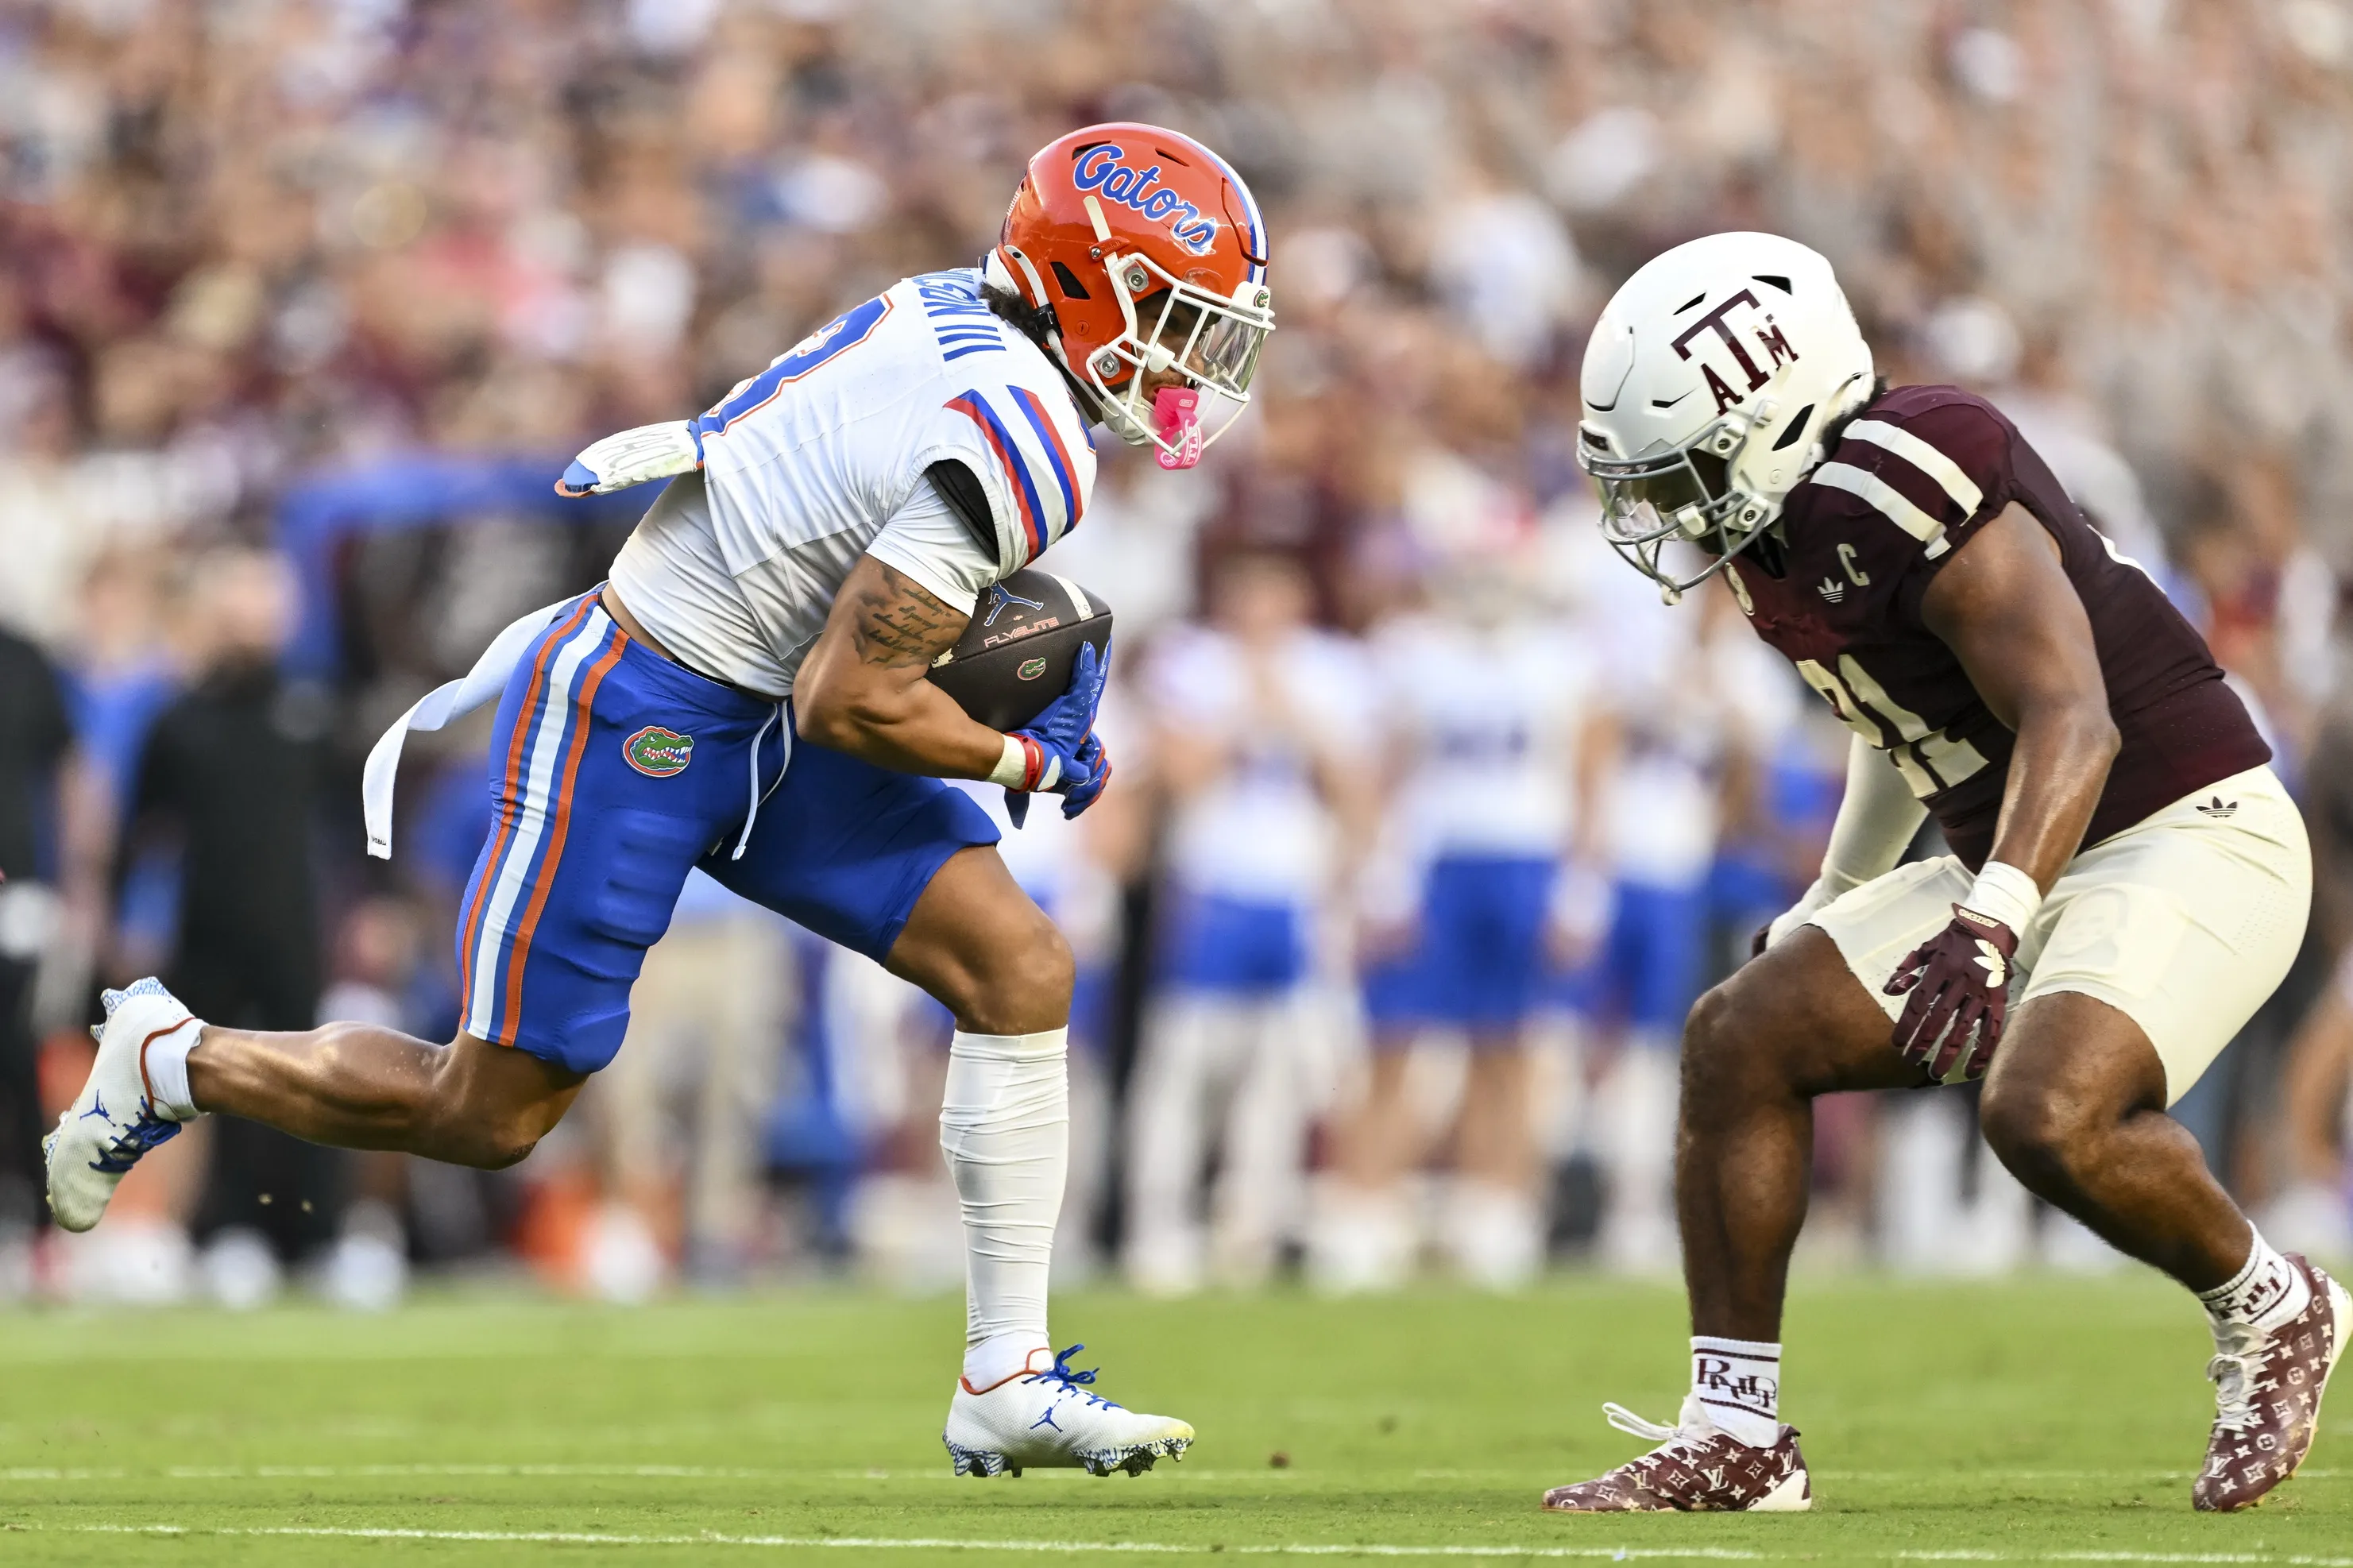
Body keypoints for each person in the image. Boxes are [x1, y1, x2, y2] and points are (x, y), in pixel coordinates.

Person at [45, 122, 1276, 1480]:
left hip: (768, 705)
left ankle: (1006, 1374)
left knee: (1018, 964)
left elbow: (834, 645)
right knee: (488, 1113)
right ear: (1088, 282)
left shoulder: (963, 312)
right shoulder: (1024, 431)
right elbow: (853, 700)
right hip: (643, 705)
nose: (1189, 358)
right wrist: (1032, 761)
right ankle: (174, 1059)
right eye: (1174, 314)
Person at [1542, 233, 2328, 1515]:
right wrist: (1831, 897)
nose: (1673, 510)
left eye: (1687, 470)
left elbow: (2074, 720)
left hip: (2185, 830)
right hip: (2019, 847)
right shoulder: (1781, 532)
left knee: (2043, 1112)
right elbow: (1893, 725)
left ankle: (2271, 1301)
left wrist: (1989, 918)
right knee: (1739, 1037)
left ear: (1776, 412)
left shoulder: (1910, 471)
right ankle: (1734, 1435)